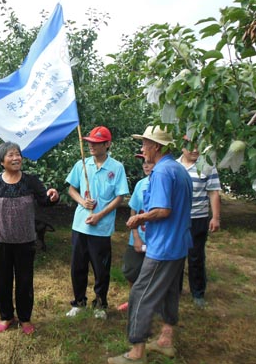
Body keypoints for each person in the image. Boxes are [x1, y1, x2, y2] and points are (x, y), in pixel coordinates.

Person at [108, 125, 192, 364]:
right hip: (178, 244)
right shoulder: (178, 169)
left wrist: (140, 217)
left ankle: (136, 353)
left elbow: (163, 210)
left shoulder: (162, 172)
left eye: (145, 143)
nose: (142, 148)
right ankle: (166, 340)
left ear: (156, 146)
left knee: (140, 295)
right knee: (168, 291)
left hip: (163, 247)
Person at [0, 141, 59, 335]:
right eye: (10, 155)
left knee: (25, 281)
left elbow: (44, 201)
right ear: (2, 161)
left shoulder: (30, 181)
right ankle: (6, 316)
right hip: (0, 241)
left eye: (18, 154)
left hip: (25, 241)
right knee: (2, 281)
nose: (16, 158)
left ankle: (25, 318)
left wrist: (53, 196)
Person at [65, 126, 130, 319]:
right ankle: (78, 302)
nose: (91, 146)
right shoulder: (82, 165)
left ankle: (100, 303)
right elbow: (71, 189)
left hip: (101, 228)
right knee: (78, 266)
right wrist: (82, 201)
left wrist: (100, 215)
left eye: (96, 143)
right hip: (80, 225)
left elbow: (120, 197)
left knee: (101, 269)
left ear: (107, 144)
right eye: (90, 142)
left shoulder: (116, 168)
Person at [177, 137, 221, 308]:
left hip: (198, 218)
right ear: (182, 147)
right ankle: (175, 289)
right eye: (190, 147)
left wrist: (215, 217)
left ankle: (198, 293)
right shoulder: (174, 166)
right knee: (176, 255)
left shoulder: (207, 165)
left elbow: (213, 192)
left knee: (196, 256)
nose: (195, 150)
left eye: (198, 147)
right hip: (177, 219)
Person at [117, 154, 155, 312]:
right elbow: (133, 210)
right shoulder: (140, 184)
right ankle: (133, 300)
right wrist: (136, 237)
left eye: (150, 162)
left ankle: (151, 305)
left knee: (154, 273)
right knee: (132, 270)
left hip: (157, 239)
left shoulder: (164, 184)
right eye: (144, 163)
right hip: (139, 236)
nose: (146, 166)